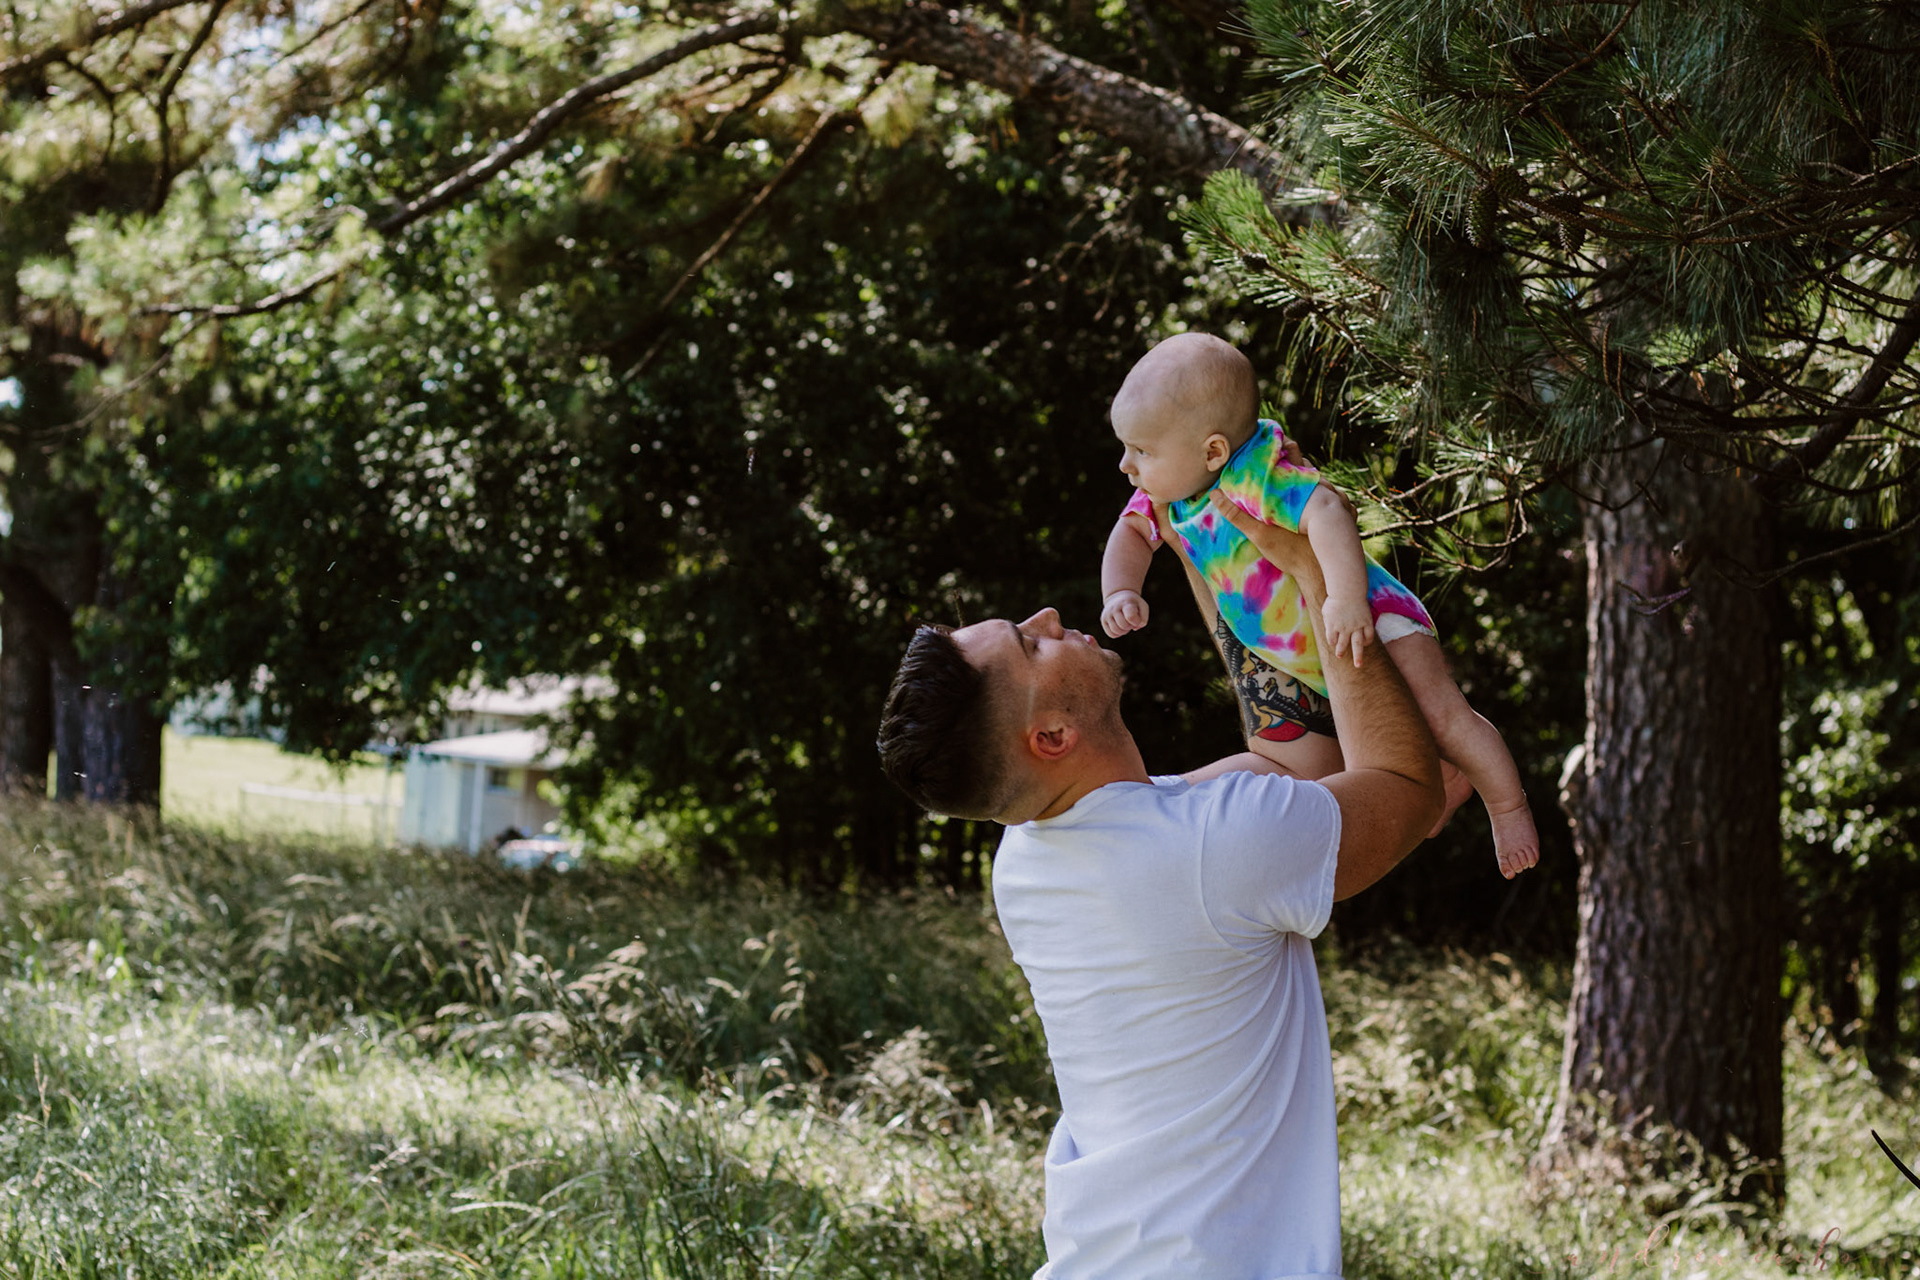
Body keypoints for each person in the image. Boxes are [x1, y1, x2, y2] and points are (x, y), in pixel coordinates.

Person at [876, 508, 1444, 1279]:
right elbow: (1407, 789)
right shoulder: (1210, 846)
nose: (1049, 616)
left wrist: (1212, 562)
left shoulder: (1030, 859)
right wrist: (1317, 581)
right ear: (1052, 738)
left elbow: (1286, 770)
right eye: (1030, 644)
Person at [1098, 332, 1539, 878]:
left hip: (1370, 615)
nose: (1126, 465)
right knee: (1356, 759)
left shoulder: (1254, 475)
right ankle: (1443, 778)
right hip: (1307, 653)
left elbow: (1328, 510)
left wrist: (1347, 599)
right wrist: (1121, 591)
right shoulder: (1170, 493)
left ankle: (1508, 808)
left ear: (1212, 451)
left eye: (1141, 451)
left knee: (1443, 716)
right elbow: (1131, 534)